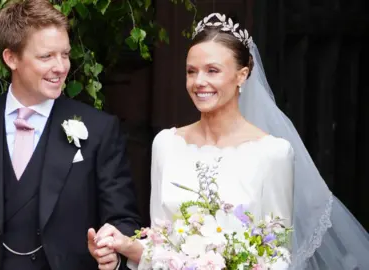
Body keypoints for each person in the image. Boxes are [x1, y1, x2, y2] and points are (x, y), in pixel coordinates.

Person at [90, 13, 369, 269]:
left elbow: (276, 256)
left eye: (212, 70)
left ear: (242, 76)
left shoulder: (272, 153)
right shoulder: (166, 144)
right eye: (191, 71)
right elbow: (160, 243)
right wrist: (125, 247)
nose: (199, 81)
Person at [0, 0, 141, 269]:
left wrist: (112, 248)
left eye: (65, 54)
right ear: (11, 58)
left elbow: (123, 219)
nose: (61, 67)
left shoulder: (100, 130)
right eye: (46, 56)